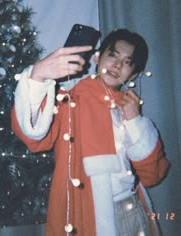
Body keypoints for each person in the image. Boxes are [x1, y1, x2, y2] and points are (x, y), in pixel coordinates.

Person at [11, 29, 169, 236]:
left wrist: (134, 120)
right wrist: (38, 76)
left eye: (128, 62)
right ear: (97, 57)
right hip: (87, 216)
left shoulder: (129, 108)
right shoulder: (70, 103)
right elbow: (34, 137)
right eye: (113, 55)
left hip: (132, 210)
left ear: (134, 74)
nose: (118, 65)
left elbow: (152, 175)